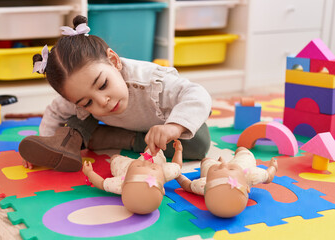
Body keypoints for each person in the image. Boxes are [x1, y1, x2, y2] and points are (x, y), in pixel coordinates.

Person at [18, 15, 212, 172]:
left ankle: (107, 138)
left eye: (103, 85)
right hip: (122, 124)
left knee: (199, 144)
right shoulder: (77, 94)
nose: (103, 101)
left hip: (162, 126)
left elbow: (197, 93)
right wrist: (46, 143)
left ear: (114, 61)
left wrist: (174, 127)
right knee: (76, 115)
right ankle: (68, 140)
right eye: (87, 102)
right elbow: (54, 112)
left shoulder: (152, 82)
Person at [82, 140, 183, 214]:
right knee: (153, 150)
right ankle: (148, 148)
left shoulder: (120, 183)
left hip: (125, 168)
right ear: (162, 189)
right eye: (153, 169)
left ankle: (124, 160)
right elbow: (178, 166)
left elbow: (101, 183)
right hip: (154, 160)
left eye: (139, 166)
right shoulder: (165, 171)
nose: (146, 163)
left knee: (114, 159)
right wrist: (178, 151)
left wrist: (89, 172)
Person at [176, 147, 278, 218]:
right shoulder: (252, 175)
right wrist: (273, 167)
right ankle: (224, 164)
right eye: (231, 169)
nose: (224, 165)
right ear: (247, 187)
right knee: (242, 150)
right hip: (242, 167)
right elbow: (269, 176)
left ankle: (218, 165)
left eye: (216, 170)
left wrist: (178, 175)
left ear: (206, 188)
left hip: (224, 170)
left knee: (205, 160)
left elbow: (188, 185)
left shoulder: (204, 184)